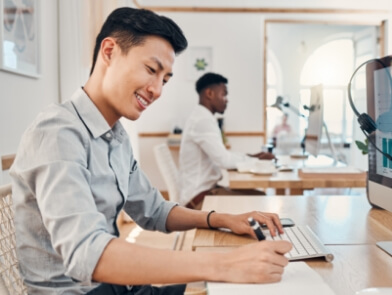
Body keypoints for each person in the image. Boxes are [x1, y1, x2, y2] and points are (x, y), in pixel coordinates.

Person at [9, 7, 291, 295]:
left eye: (165, 80)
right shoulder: (58, 133)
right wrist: (224, 265)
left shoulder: (115, 136)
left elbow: (154, 211)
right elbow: (87, 254)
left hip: (117, 286)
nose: (157, 90)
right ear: (109, 51)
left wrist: (221, 219)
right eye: (151, 70)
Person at [179, 73, 275, 210]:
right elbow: (224, 161)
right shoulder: (203, 121)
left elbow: (223, 155)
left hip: (206, 192)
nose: (226, 100)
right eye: (224, 94)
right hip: (199, 199)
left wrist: (251, 157)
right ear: (209, 93)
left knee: (260, 197)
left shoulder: (202, 117)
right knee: (261, 201)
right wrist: (258, 161)